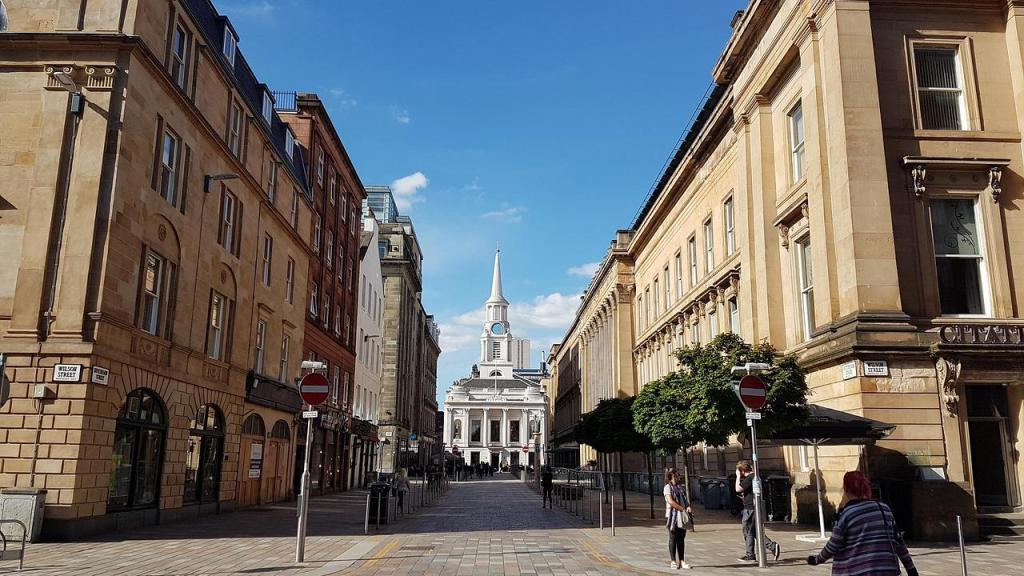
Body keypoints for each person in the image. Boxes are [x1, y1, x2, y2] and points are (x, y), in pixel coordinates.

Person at [807, 471, 919, 576]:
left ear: (846, 489)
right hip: (886, 569)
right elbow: (898, 542)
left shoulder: (846, 514)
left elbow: (834, 545)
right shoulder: (884, 509)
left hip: (856, 570)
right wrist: (911, 568)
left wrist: (817, 559)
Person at [736, 460, 781, 563]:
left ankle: (750, 555)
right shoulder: (756, 477)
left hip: (750, 509)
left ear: (742, 470)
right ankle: (772, 546)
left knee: (748, 531)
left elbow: (738, 489)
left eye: (739, 471)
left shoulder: (750, 478)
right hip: (754, 507)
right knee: (755, 532)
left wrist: (738, 477)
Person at [664, 468, 694, 570]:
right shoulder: (667, 487)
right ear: (672, 476)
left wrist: (688, 506)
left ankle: (682, 561)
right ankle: (673, 561)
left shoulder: (680, 487)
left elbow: (685, 499)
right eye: (677, 475)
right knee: (673, 538)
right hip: (673, 517)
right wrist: (682, 508)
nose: (679, 477)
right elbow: (670, 501)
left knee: (681, 539)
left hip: (682, 516)